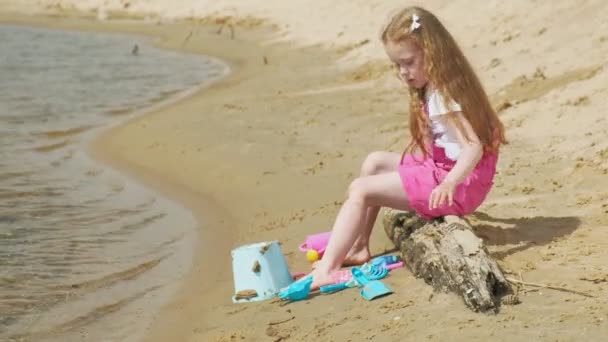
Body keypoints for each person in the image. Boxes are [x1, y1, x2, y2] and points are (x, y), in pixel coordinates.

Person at [305, 6, 507, 290]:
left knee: (360, 189)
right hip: (448, 171)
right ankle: (359, 246)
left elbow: (473, 147)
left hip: (458, 184)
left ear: (431, 53)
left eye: (409, 62)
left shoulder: (442, 95)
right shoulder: (438, 84)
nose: (403, 72)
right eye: (397, 65)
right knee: (374, 162)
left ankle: (327, 269)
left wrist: (449, 183)